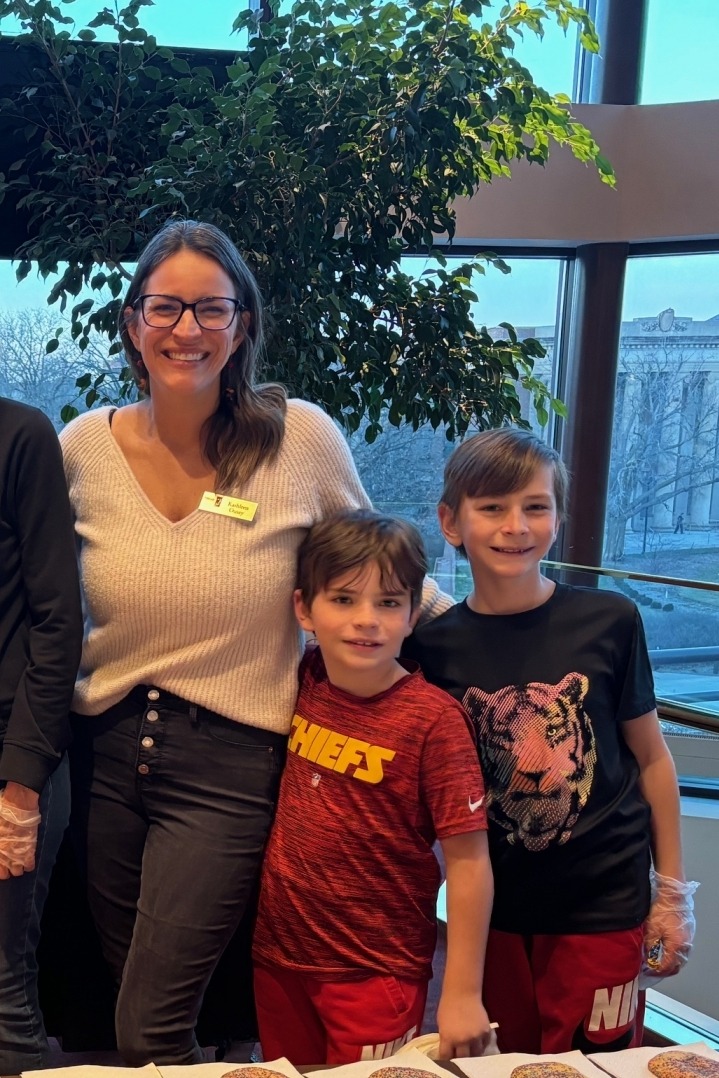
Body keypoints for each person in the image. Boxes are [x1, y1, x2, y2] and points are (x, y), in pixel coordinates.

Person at [59, 220, 450, 1066]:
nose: (186, 329)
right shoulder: (84, 446)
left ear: (241, 324)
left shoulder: (297, 437)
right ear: (133, 323)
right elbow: (34, 587)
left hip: (230, 762)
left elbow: (378, 568)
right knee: (127, 997)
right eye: (165, 307)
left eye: (210, 308)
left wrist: (507, 634)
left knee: (150, 1025)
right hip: (106, 756)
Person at [405, 428, 696, 1055]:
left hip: (603, 905)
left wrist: (672, 892)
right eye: (492, 507)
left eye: (536, 506)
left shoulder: (610, 619)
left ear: (557, 519)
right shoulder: (431, 647)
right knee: (500, 1065)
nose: (517, 525)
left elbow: (652, 757)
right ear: (450, 522)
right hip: (494, 915)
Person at [252, 509, 493, 1066]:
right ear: (303, 609)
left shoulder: (433, 721)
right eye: (343, 599)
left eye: (388, 603)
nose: (367, 620)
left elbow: (469, 864)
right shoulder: (304, 677)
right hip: (279, 961)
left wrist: (461, 993)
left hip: (375, 971)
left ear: (412, 615)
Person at [0, 397, 83, 1073]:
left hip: (11, 752)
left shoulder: (19, 433)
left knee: (2, 988)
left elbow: (58, 622)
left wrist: (22, 785)